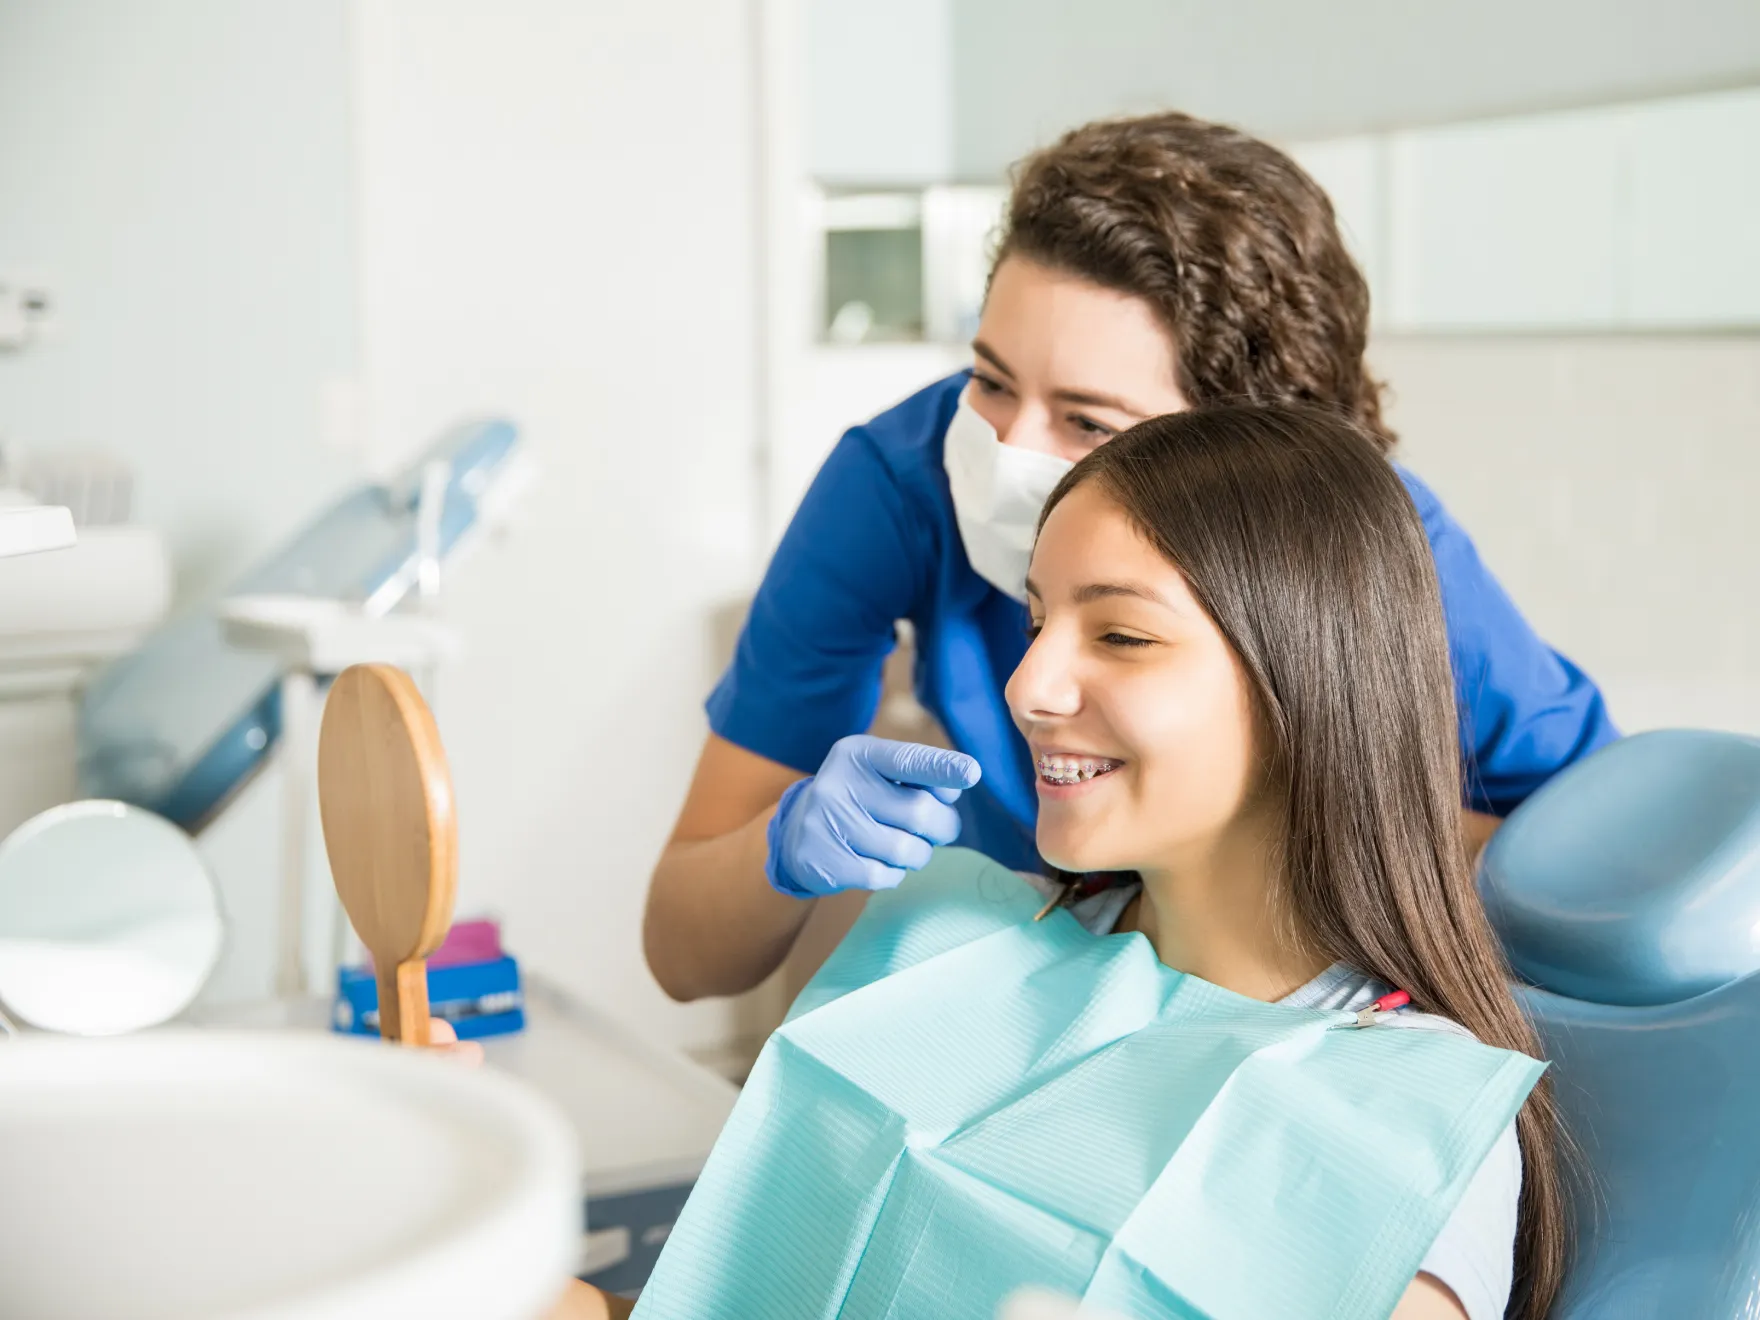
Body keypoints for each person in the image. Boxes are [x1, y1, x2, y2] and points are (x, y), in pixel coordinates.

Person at [613, 404, 1564, 1320]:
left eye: (1120, 635)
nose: (1027, 687)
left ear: (1306, 685)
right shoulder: (962, 941)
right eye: (1035, 625)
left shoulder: (1409, 1115)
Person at [643, 111, 1617, 1005]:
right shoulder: (903, 483)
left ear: (1249, 465)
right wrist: (784, 849)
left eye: (1087, 420)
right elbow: (685, 954)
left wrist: (1324, 825)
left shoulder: (1370, 553)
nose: (1005, 450)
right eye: (987, 379)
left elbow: (1605, 887)